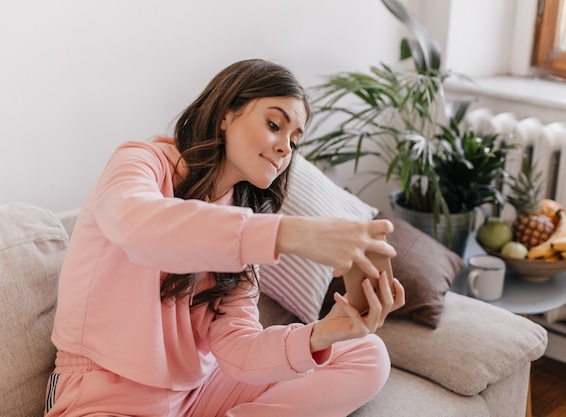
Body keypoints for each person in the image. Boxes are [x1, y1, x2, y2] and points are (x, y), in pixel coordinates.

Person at [44, 58, 405, 417]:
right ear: (225, 115)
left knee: (367, 352)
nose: (284, 148)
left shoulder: (245, 221)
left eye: (295, 142)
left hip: (201, 391)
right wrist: (289, 233)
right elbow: (136, 225)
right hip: (104, 391)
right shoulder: (141, 161)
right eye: (274, 124)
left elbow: (238, 349)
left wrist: (322, 334)